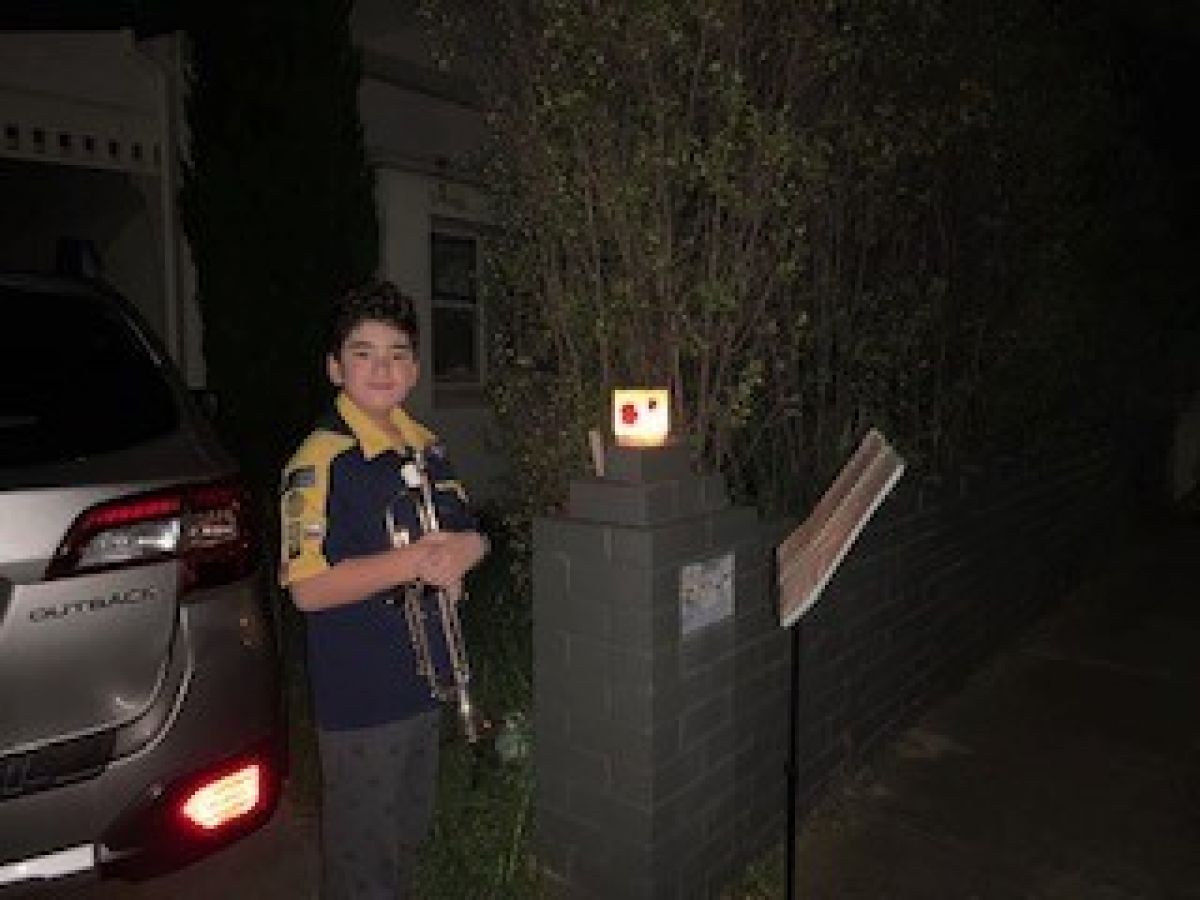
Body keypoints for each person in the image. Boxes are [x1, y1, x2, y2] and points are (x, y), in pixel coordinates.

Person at [279, 280, 488, 899]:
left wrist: (468, 550)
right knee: (362, 856)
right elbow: (308, 591)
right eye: (363, 352)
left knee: (407, 834)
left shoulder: (426, 445)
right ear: (334, 366)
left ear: (416, 368)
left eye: (397, 353)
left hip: (426, 681)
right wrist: (414, 562)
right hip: (362, 693)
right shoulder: (319, 461)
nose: (382, 367)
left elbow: (467, 530)